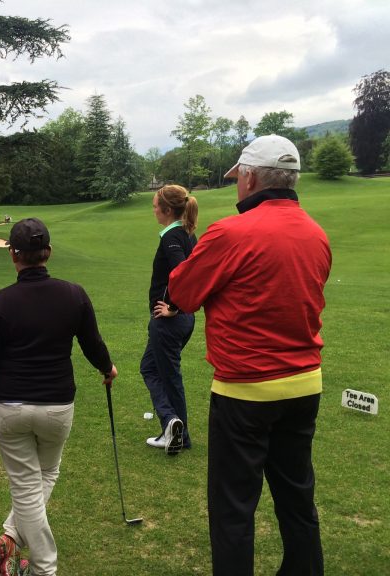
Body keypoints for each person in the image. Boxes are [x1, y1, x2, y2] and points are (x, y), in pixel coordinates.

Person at [168, 135, 331, 576]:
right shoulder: (316, 233)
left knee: (233, 509)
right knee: (297, 497)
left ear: (253, 178)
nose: (237, 185)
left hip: (244, 392)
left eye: (239, 177)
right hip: (304, 386)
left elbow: (181, 293)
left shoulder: (229, 232)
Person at [0, 218, 117, 576]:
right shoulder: (74, 294)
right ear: (47, 253)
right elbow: (92, 344)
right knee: (45, 473)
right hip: (56, 407)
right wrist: (107, 368)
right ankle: (36, 561)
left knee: (29, 482)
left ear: (13, 256)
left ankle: (21, 547)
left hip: (8, 408)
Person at [140, 185, 198, 455]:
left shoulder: (172, 236)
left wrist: (173, 306)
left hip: (169, 322)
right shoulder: (187, 233)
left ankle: (175, 428)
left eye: (155, 206)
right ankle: (174, 427)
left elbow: (183, 271)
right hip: (182, 320)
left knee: (167, 375)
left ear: (166, 210)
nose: (153, 210)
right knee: (152, 368)